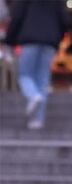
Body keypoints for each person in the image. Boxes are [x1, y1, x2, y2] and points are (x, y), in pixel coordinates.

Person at [3, 0, 67, 130]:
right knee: (43, 80)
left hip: (29, 40)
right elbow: (64, 20)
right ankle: (38, 120)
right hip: (49, 41)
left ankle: (32, 95)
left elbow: (17, 17)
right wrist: (57, 38)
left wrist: (9, 40)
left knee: (25, 74)